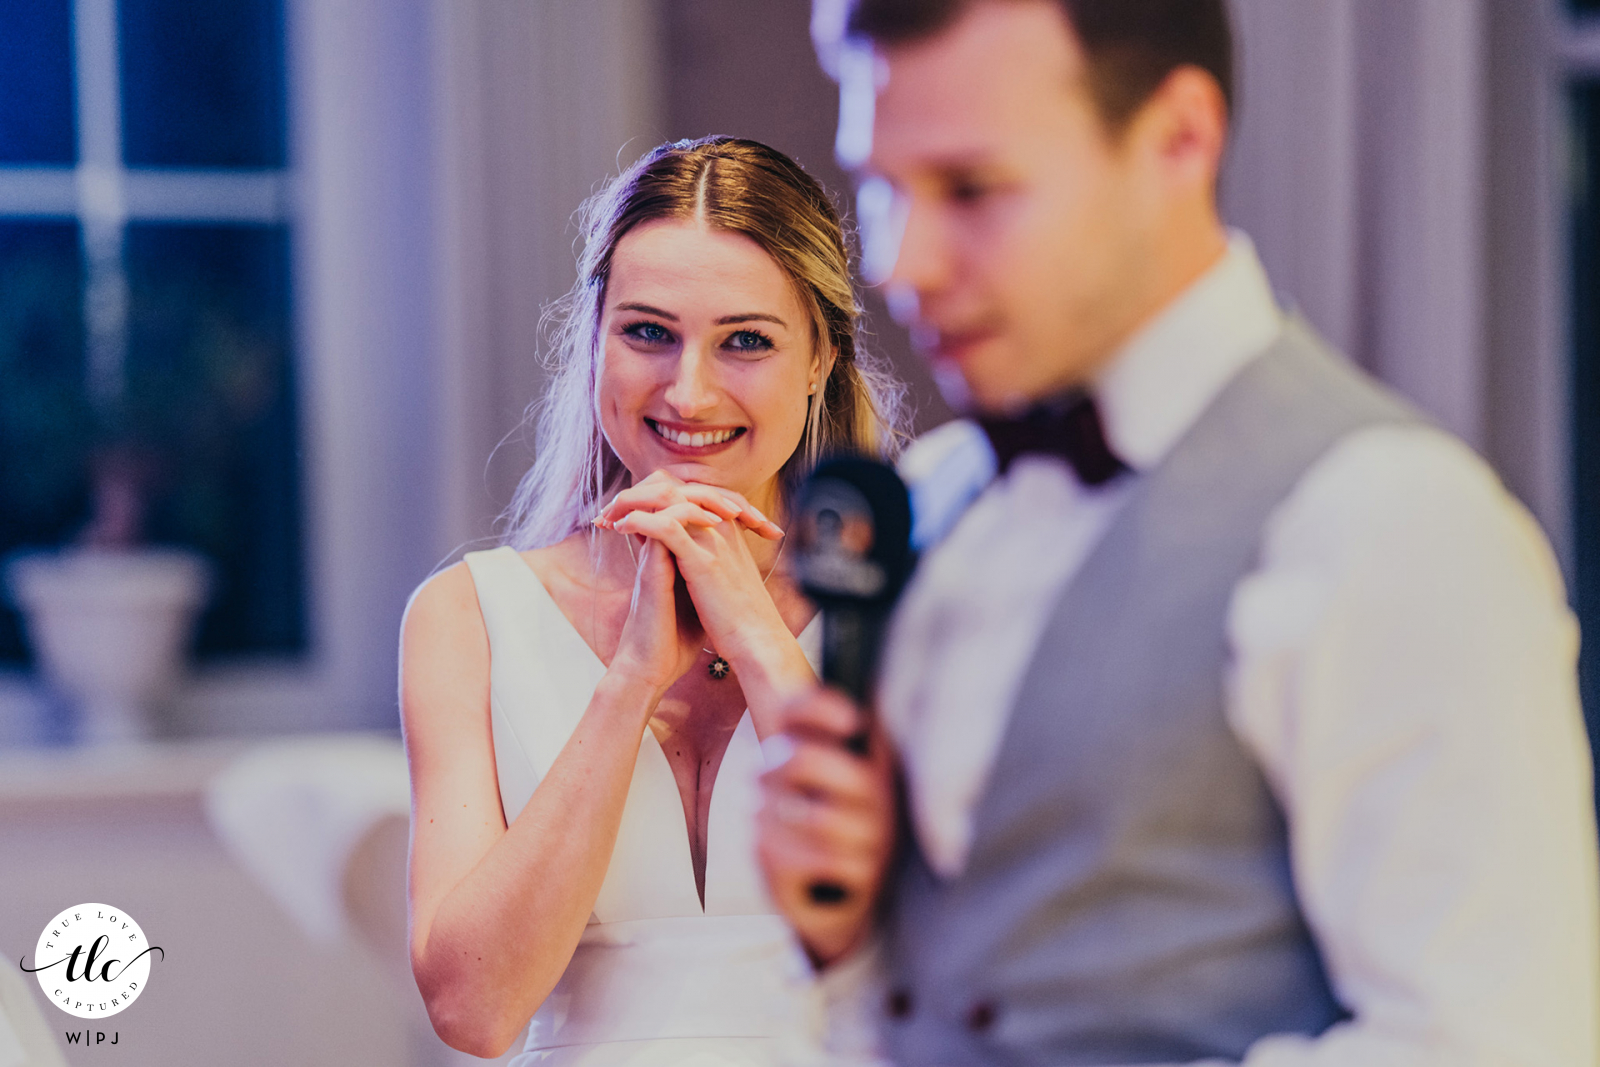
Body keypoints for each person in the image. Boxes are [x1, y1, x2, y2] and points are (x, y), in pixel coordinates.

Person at [758, 2, 1600, 1064]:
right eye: (880, 187)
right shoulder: (931, 500)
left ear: (1178, 140)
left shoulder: (1392, 522)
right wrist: (847, 950)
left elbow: (1491, 1044)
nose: (900, 260)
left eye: (971, 189)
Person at [400, 136, 904, 1065]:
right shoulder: (466, 617)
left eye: (745, 340)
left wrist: (754, 630)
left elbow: (933, 937)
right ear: (596, 337)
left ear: (821, 355)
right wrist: (629, 680)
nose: (688, 389)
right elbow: (474, 1008)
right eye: (648, 332)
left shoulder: (918, 598)